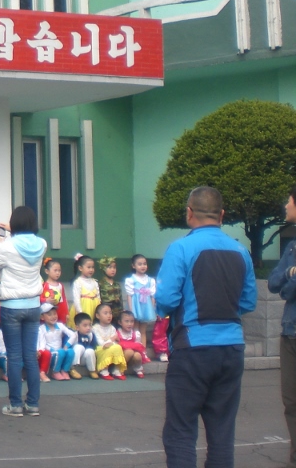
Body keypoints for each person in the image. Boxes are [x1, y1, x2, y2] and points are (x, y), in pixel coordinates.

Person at [158, 186, 256, 468]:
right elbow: (248, 301)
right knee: (222, 433)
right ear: (222, 215)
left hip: (192, 348)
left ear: (190, 213)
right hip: (231, 347)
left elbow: (166, 300)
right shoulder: (240, 250)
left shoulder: (181, 248)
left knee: (181, 431)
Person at [0, 206, 47, 417]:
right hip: (33, 305)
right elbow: (26, 242)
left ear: (14, 224)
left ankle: (15, 405)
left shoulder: (7, 245)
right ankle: (33, 404)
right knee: (30, 356)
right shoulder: (42, 244)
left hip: (11, 306)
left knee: (14, 357)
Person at [268, 187, 296, 468]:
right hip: (289, 331)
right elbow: (275, 283)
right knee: (291, 400)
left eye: (288, 201)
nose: (285, 206)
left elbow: (288, 291)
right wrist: (290, 272)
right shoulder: (292, 247)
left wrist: (290, 283)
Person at [123, 253, 157, 347]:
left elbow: (152, 295)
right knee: (135, 330)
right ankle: (136, 348)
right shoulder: (131, 280)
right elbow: (129, 295)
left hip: (146, 307)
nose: (143, 266)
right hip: (135, 306)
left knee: (143, 331)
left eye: (144, 263)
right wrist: (131, 310)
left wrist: (152, 308)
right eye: (140, 264)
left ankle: (143, 351)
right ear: (134, 266)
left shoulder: (150, 280)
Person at [69, 254, 99, 329]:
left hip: (94, 308)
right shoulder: (78, 282)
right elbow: (76, 299)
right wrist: (80, 313)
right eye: (88, 267)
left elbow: (98, 297)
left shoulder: (95, 282)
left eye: (92, 267)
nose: (91, 269)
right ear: (80, 268)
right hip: (83, 308)